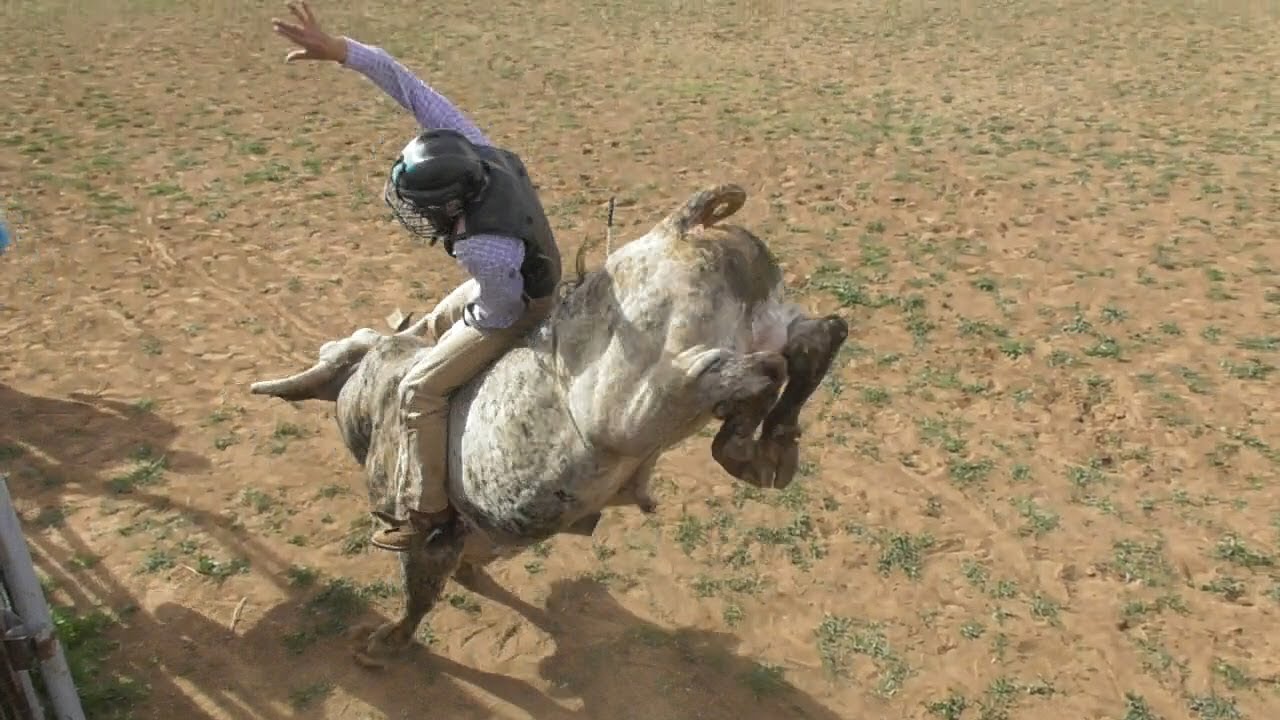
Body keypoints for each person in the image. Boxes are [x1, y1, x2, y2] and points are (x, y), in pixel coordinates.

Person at [272, 1, 562, 552]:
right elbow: (408, 86)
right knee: (434, 323)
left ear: (449, 203)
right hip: (526, 268)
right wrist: (342, 51)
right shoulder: (472, 145)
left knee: (418, 390)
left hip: (517, 300)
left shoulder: (482, 245)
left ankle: (430, 513)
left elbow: (499, 312)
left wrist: (468, 327)